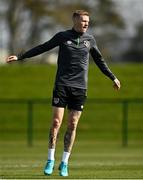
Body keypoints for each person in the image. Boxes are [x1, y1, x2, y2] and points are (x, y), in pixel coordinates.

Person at [6, 10, 121, 177]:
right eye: (83, 21)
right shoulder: (62, 36)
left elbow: (100, 61)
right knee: (56, 122)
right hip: (62, 85)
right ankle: (50, 159)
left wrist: (113, 77)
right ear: (75, 20)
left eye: (88, 21)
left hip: (80, 88)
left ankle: (64, 163)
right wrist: (20, 56)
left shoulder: (90, 40)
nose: (86, 24)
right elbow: (43, 47)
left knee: (73, 124)